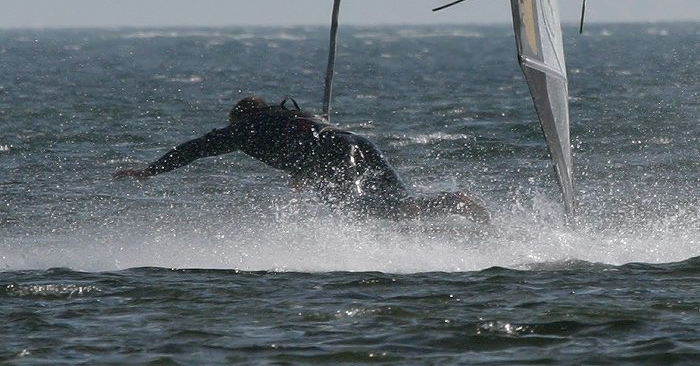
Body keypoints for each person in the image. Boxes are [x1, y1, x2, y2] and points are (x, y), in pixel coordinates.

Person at [114, 96, 489, 222]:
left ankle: (451, 206)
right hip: (356, 142)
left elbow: (193, 148)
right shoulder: (292, 115)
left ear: (240, 118)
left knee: (366, 213)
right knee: (399, 207)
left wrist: (150, 171)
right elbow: (305, 141)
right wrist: (303, 170)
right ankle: (455, 204)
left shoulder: (244, 129)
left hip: (331, 155)